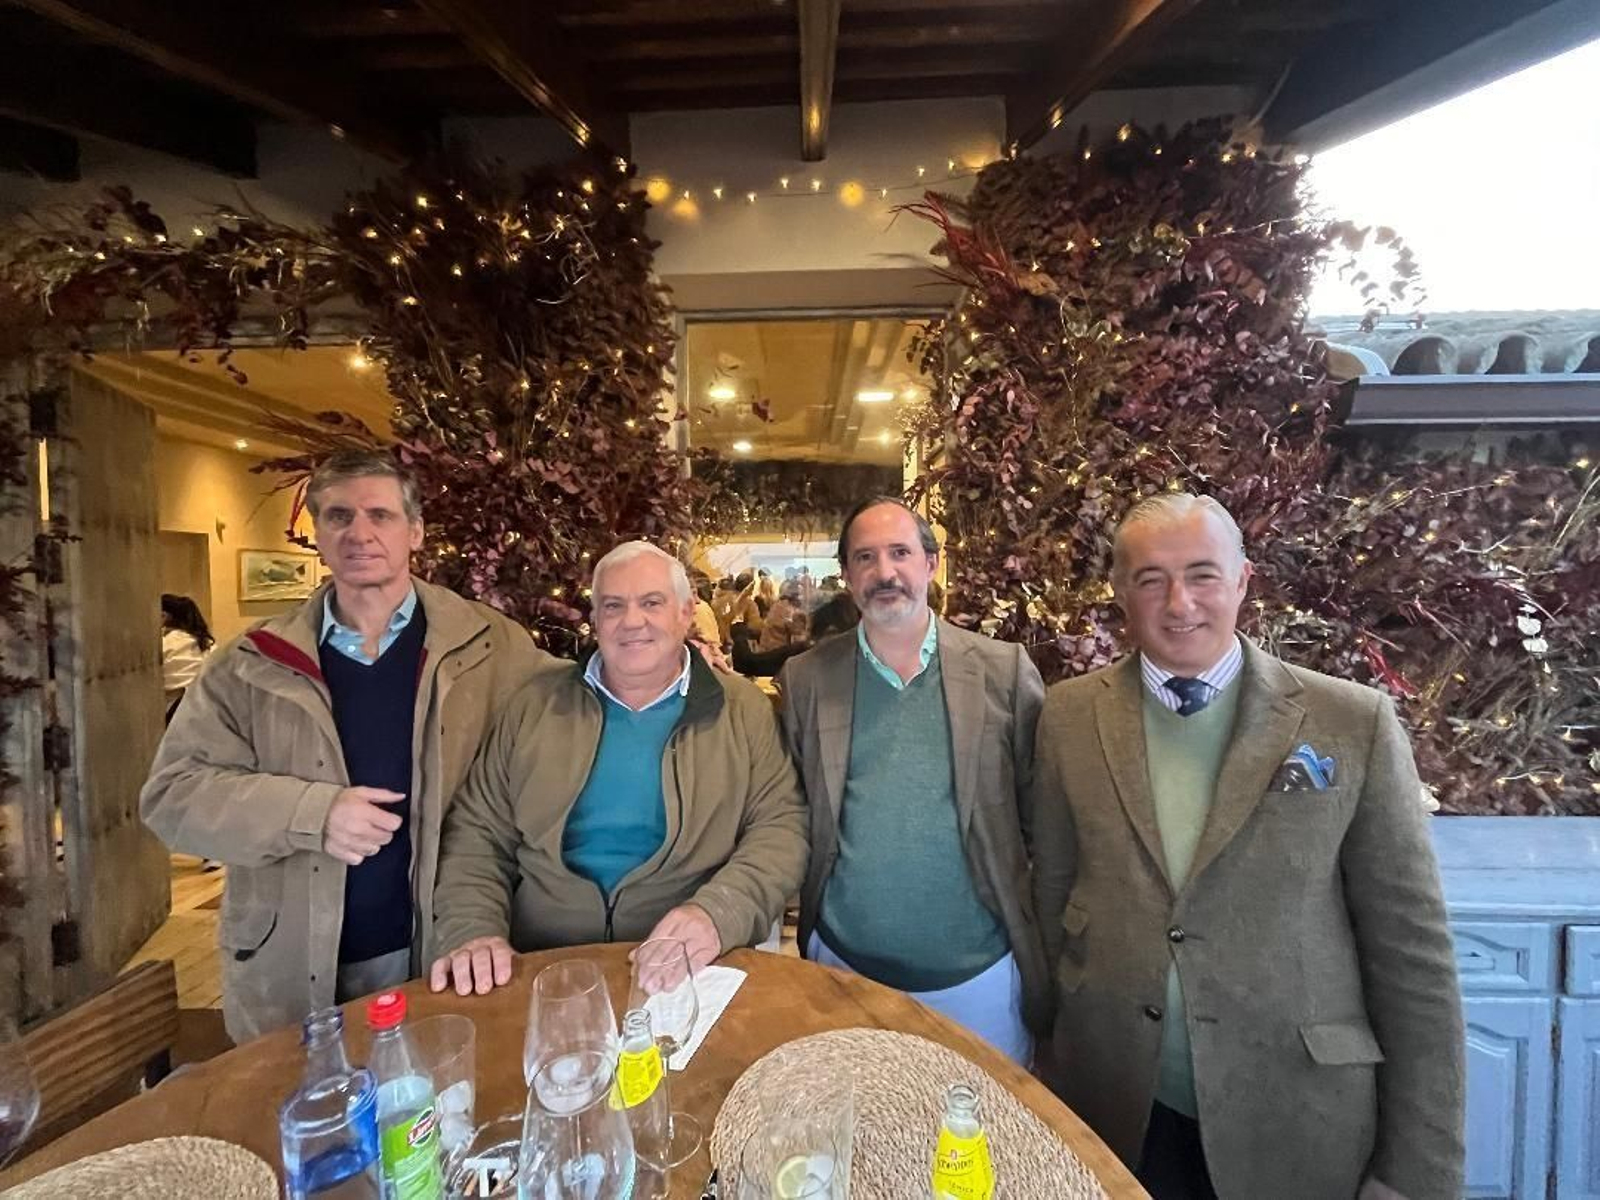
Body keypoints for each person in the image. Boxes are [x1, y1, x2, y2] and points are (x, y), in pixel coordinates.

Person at [1030, 493, 1464, 1200]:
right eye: (1150, 579)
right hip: (1115, 1106)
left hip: (1294, 1116)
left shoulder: (1351, 721)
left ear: (1242, 582)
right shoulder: (1068, 716)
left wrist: (1415, 1176)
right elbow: (1053, 892)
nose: (1179, 603)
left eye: (1202, 574)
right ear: (1120, 593)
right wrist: (1051, 1051)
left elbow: (1413, 958)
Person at [141, 451, 554, 1043]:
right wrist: (314, 813)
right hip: (291, 967)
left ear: (414, 531)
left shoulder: (489, 645)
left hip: (437, 953)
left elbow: (576, 711)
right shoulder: (249, 663)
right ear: (318, 533)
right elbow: (172, 798)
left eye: (379, 515)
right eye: (338, 516)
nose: (359, 533)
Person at [428, 541, 809, 994]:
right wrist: (473, 928)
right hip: (538, 964)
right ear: (595, 621)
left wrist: (717, 914)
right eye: (613, 606)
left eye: (652, 603)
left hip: (689, 967)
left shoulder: (740, 710)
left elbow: (781, 826)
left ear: (686, 614)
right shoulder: (534, 705)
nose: (632, 621)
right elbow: (477, 831)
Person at [778, 498, 1046, 1065]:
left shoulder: (1004, 671)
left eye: (900, 553)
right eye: (865, 558)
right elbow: (795, 811)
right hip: (846, 968)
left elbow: (1039, 818)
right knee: (863, 1131)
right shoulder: (806, 680)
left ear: (930, 563)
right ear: (847, 577)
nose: (885, 573)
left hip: (979, 978)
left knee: (984, 1138)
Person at [160, 593, 214, 721]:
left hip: (174, 715)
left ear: (164, 616)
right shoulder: (209, 645)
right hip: (209, 709)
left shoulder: (164, 644)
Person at [756, 578, 810, 653]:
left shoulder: (777, 605)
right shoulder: (789, 610)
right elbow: (800, 638)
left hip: (765, 651)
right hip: (776, 654)